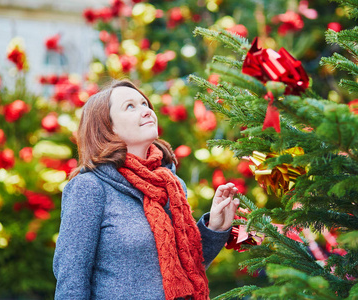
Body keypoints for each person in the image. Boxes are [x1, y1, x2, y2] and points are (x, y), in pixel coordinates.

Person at [53, 79, 240, 299]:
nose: (146, 111)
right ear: (106, 127)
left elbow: (187, 268)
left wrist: (215, 227)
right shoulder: (90, 188)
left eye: (145, 104)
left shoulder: (171, 184)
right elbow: (71, 280)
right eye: (130, 107)